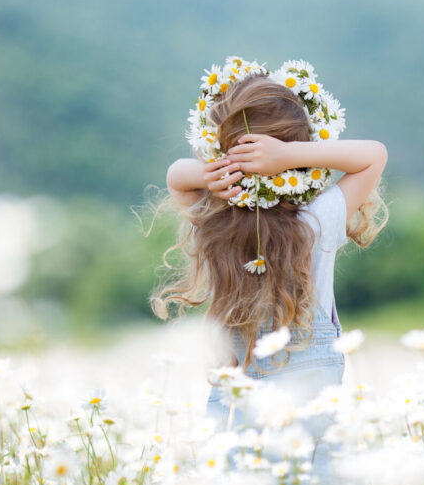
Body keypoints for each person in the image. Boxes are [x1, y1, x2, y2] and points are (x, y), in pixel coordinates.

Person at [151, 73, 387, 474]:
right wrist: (291, 156)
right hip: (310, 398)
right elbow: (373, 155)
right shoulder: (316, 221)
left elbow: (176, 176)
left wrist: (214, 172)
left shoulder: (214, 221)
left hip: (235, 394)